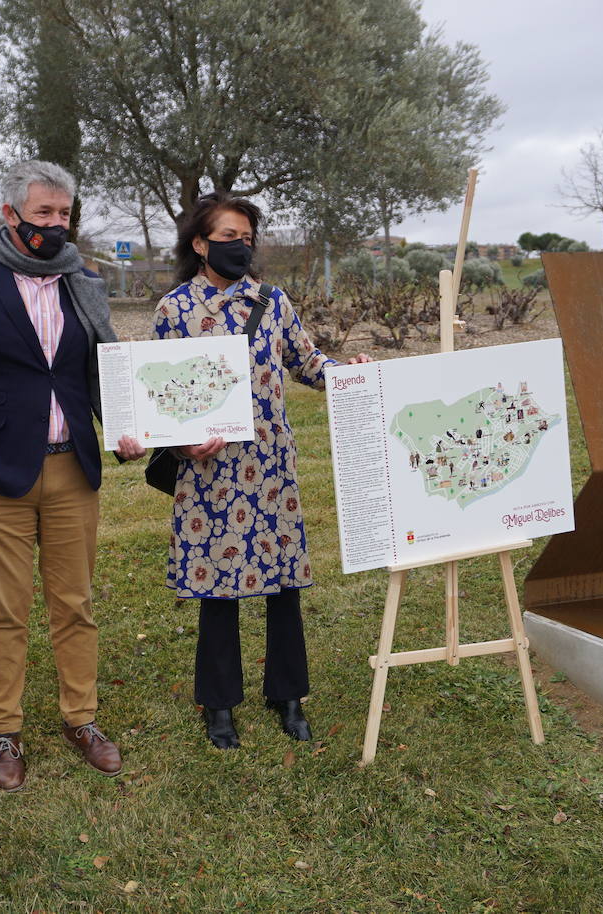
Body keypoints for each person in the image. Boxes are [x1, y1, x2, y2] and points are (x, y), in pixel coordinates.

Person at [0, 160, 145, 792]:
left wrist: (128, 429)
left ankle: (82, 719)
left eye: (63, 214)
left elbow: (100, 371)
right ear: (10, 214)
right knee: (6, 611)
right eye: (42, 213)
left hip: (71, 467)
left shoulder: (85, 282)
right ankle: (4, 731)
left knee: (75, 604)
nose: (54, 225)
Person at [155, 192, 371, 749]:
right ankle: (220, 703)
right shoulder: (174, 309)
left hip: (271, 468)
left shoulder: (273, 302)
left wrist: (350, 373)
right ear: (200, 244)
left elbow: (307, 361)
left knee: (283, 585)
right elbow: (159, 395)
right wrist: (181, 446)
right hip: (208, 473)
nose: (240, 246)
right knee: (217, 590)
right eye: (228, 237)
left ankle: (288, 694)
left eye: (247, 238)